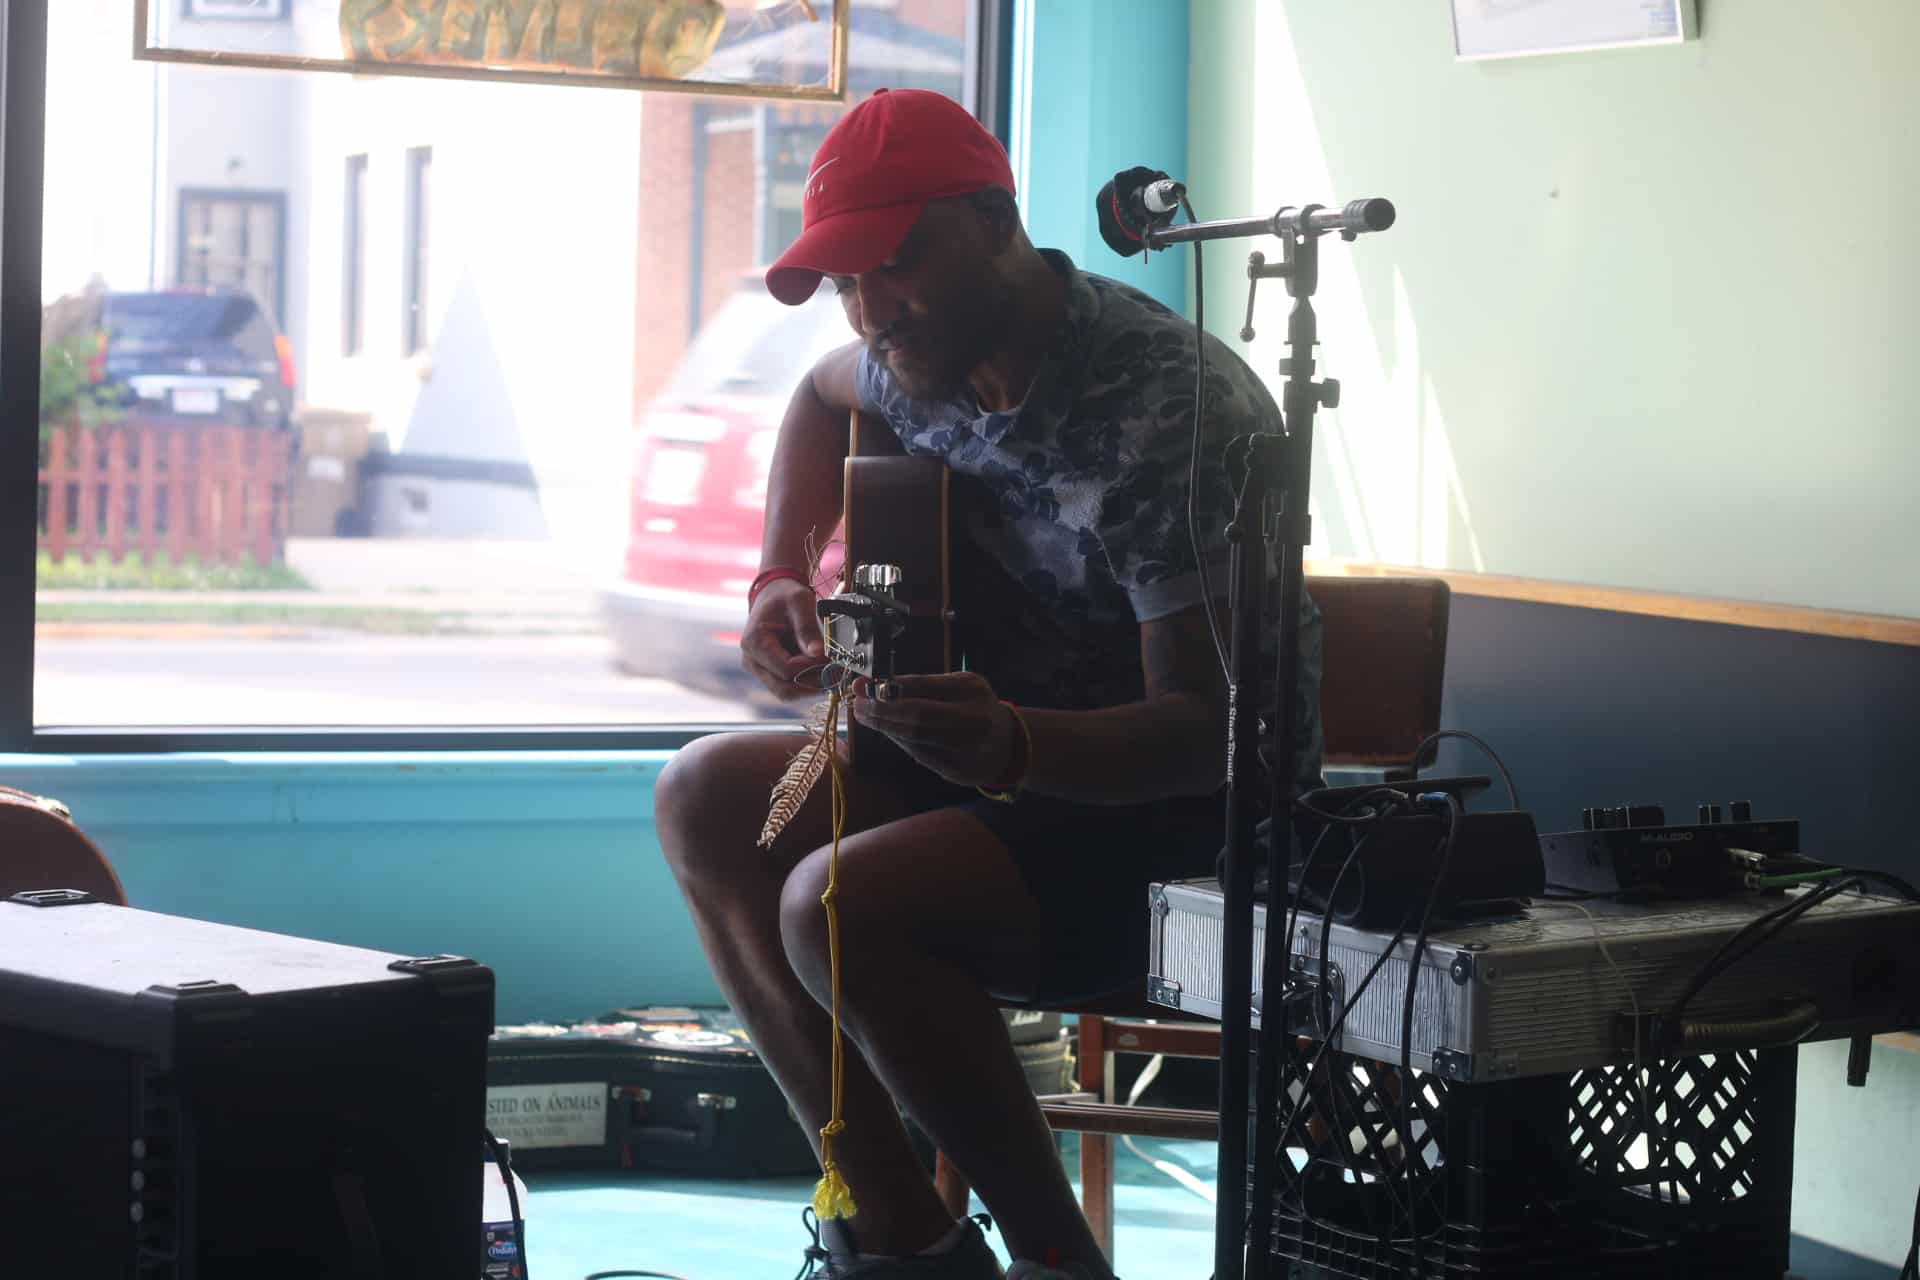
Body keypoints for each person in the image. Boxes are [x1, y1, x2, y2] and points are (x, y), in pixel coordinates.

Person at [653, 88, 1323, 1279]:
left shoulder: (1170, 413)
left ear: (995, 223)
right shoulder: (916, 360)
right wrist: (775, 573)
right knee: (703, 794)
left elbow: (1214, 738)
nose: (868, 311)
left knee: (839, 901)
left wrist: (1013, 748)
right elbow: (819, 396)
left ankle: (1058, 1260)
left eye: (893, 267)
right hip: (996, 777)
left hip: (1174, 830)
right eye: (846, 282)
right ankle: (903, 1236)